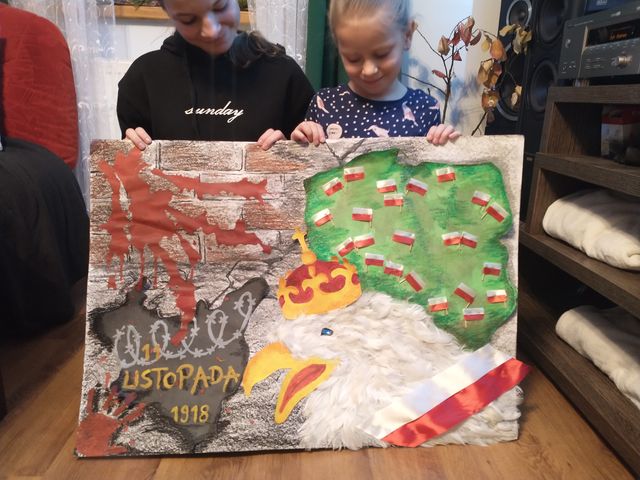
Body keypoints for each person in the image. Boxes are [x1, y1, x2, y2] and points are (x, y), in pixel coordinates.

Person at [117, 0, 315, 151]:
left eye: (220, 7)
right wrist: (129, 153)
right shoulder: (143, 78)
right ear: (166, 10)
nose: (211, 31)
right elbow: (134, 177)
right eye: (188, 20)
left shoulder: (283, 72)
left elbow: (313, 165)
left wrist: (291, 152)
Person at [291, 0, 460, 146]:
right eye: (353, 59)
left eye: (382, 54)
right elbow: (305, 164)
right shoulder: (325, 103)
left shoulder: (425, 108)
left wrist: (444, 143)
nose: (369, 70)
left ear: (407, 36)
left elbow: (431, 169)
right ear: (338, 45)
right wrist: (301, 140)